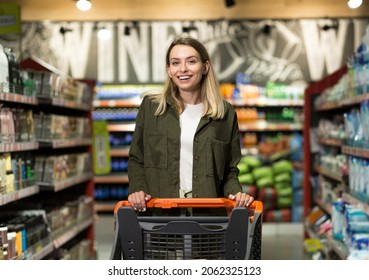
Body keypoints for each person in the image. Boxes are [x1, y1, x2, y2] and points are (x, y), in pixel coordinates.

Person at [127, 36, 254, 214]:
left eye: (191, 61)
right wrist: (137, 189)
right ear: (169, 70)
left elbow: (229, 170)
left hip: (206, 217)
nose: (183, 69)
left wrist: (236, 193)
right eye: (176, 63)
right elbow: (136, 158)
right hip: (160, 215)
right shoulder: (151, 107)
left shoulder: (225, 114)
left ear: (205, 67)